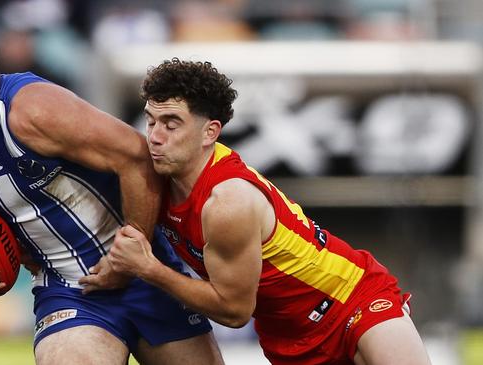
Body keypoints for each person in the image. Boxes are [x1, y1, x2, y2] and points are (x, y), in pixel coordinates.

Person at [0, 15, 223, 365]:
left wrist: (128, 256)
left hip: (149, 274)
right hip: (69, 292)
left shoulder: (33, 111)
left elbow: (137, 156)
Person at [90, 58, 433, 365]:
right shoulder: (154, 179)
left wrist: (148, 268)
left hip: (353, 300)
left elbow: (235, 311)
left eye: (171, 123)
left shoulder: (227, 202)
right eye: (151, 122)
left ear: (210, 132)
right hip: (288, 339)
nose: (155, 136)